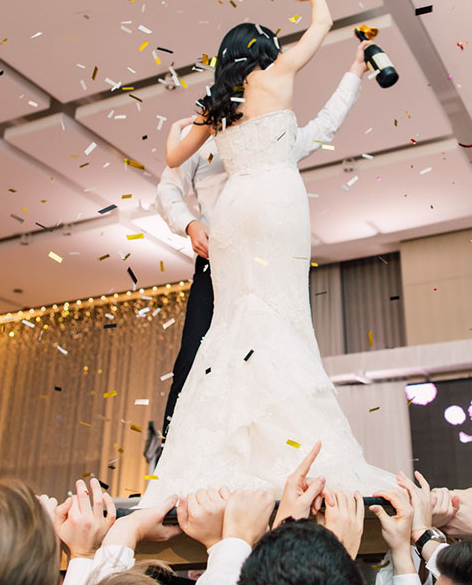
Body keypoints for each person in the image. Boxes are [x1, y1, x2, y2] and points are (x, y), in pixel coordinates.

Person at [139, 0, 396, 506]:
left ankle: (218, 453)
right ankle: (264, 447)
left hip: (235, 219)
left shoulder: (216, 110)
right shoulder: (276, 82)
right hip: (269, 211)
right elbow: (320, 28)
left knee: (234, 330)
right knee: (265, 324)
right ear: (265, 50)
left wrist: (174, 132)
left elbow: (169, 157)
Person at [156, 28, 371, 440]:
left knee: (276, 348)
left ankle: (263, 443)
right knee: (198, 353)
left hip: (269, 257)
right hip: (217, 259)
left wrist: (354, 74)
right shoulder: (211, 122)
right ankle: (176, 451)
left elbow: (324, 127)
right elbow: (168, 186)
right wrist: (190, 224)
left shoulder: (278, 137)